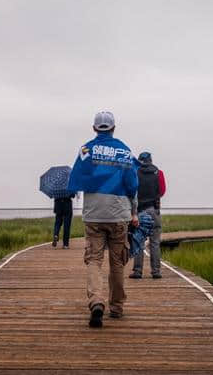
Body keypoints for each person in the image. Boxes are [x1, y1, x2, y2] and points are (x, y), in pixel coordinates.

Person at [68, 111, 139, 328]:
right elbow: (132, 184)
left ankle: (96, 300)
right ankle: (116, 307)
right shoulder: (124, 151)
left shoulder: (86, 150)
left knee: (94, 260)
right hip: (119, 214)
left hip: (94, 215)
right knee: (117, 262)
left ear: (94, 128)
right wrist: (133, 211)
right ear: (114, 128)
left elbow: (76, 178)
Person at [129, 151, 166, 279]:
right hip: (154, 210)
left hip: (139, 212)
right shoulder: (158, 173)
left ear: (139, 161)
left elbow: (131, 191)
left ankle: (138, 271)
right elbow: (162, 191)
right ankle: (156, 271)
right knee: (155, 243)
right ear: (151, 160)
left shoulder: (135, 173)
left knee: (138, 241)